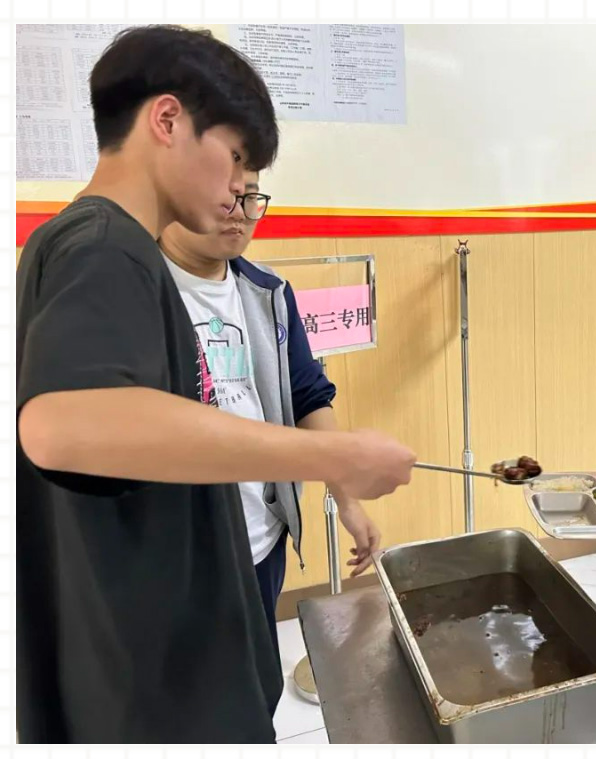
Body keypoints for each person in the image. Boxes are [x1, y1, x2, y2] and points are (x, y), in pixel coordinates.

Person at [16, 25, 414, 743]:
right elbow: (60, 425)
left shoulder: (82, 242)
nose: (239, 190)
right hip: (150, 666)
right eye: (235, 158)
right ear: (166, 121)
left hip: (151, 635)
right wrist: (334, 457)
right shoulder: (107, 248)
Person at [158, 171, 383, 662]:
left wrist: (348, 500)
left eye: (249, 196)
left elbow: (308, 396)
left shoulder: (269, 293)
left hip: (260, 539)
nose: (238, 212)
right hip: (173, 560)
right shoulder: (136, 294)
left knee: (258, 687)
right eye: (224, 194)